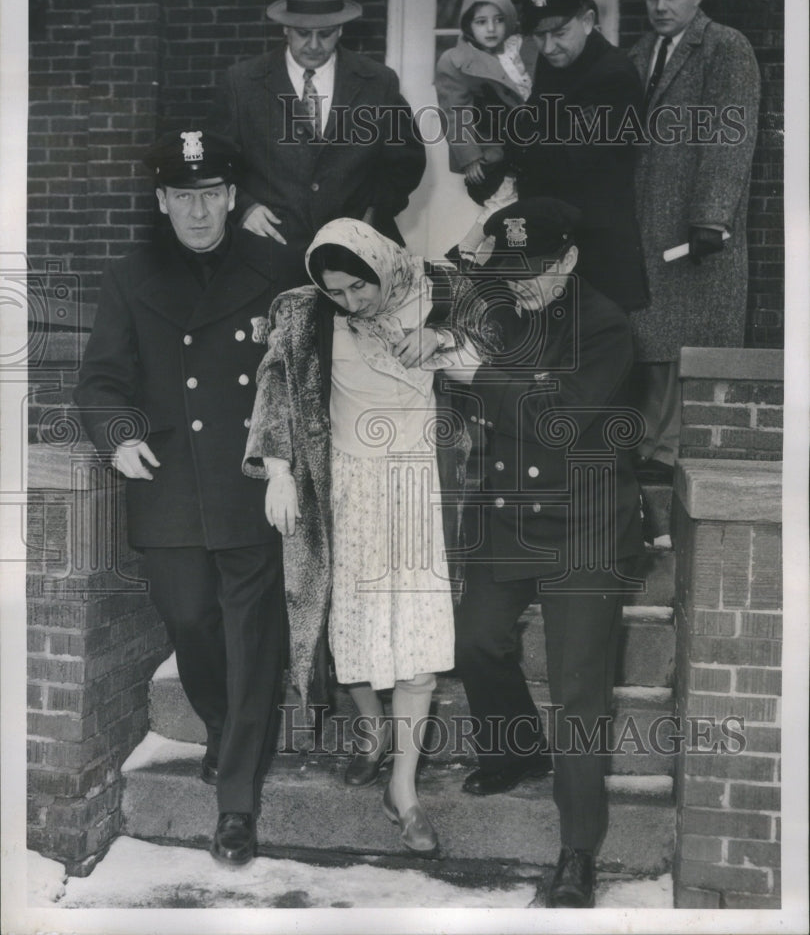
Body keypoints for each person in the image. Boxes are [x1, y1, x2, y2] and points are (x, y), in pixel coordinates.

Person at [243, 218, 496, 855]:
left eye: (361, 286)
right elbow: (275, 387)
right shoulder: (303, 315)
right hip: (348, 486)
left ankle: (403, 791)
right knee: (347, 628)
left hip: (417, 487)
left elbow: (496, 354)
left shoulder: (439, 291)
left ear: (383, 263)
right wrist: (278, 471)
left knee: (420, 643)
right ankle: (371, 727)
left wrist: (440, 341)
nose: (354, 302)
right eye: (338, 292)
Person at [73, 129, 286, 868]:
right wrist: (122, 435)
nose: (198, 213)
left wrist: (289, 460)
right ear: (161, 202)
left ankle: (236, 806)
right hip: (166, 482)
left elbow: (298, 377)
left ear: (231, 198)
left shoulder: (272, 269)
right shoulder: (129, 277)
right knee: (190, 619)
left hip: (249, 481)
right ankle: (224, 723)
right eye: (182, 198)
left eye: (210, 196)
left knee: (253, 638)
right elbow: (101, 380)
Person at [444, 198, 644, 907]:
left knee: (579, 690)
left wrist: (486, 380)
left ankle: (577, 850)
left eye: (535, 271)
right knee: (475, 643)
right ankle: (514, 747)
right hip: (508, 520)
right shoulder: (499, 309)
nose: (521, 284)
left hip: (585, 526)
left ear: (570, 259)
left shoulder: (608, 324)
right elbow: (436, 311)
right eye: (511, 271)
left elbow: (559, 415)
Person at [627, 0, 761, 479]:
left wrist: (711, 218)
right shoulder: (640, 54)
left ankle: (672, 470)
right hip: (646, 229)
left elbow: (731, 137)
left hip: (694, 236)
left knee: (687, 356)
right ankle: (653, 470)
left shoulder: (726, 48)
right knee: (653, 351)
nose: (661, 6)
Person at [209, 0, 426, 292]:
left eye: (324, 34)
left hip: (354, 259)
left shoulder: (378, 82)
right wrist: (244, 207)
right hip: (268, 255)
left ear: (340, 29)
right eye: (302, 33)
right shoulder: (242, 83)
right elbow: (216, 161)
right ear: (285, 28)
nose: (313, 45)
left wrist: (373, 212)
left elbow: (406, 162)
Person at [493, 0, 649, 313]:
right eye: (539, 36)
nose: (548, 47)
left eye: (559, 33)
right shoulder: (558, 62)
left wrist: (511, 142)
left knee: (598, 353)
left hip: (595, 249)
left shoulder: (613, 75)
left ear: (588, 20)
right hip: (555, 241)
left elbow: (568, 159)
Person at [434, 0, 534, 258]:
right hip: (495, 149)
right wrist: (469, 156)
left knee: (518, 210)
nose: (491, 29)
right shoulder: (456, 60)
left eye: (499, 20)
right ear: (468, 24)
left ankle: (495, 259)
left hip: (530, 144)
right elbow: (456, 112)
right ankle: (466, 248)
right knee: (503, 200)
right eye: (481, 22)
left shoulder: (521, 51)